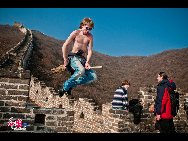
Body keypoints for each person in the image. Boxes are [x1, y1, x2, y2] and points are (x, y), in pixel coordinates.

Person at [58, 18, 97, 97]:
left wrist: (87, 62)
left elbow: (89, 51)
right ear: (82, 25)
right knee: (81, 70)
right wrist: (65, 59)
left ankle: (70, 85)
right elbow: (64, 46)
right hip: (74, 57)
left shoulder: (90, 37)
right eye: (87, 28)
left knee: (93, 77)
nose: (88, 30)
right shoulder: (75, 33)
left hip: (82, 59)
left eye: (90, 29)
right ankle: (65, 87)